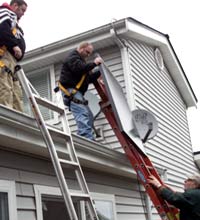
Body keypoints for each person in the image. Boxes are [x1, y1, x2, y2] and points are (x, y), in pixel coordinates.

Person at [58, 42, 103, 140]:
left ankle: (83, 137)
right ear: (81, 48)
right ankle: (86, 137)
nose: (88, 55)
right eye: (87, 52)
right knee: (82, 112)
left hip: (76, 93)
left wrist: (100, 72)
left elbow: (88, 78)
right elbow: (79, 69)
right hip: (70, 91)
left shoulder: (80, 61)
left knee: (89, 116)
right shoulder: (73, 57)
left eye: (89, 53)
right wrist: (94, 63)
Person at [0, 0, 27, 112]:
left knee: (16, 91)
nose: (23, 13)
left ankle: (19, 116)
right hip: (4, 55)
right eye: (22, 10)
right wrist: (14, 45)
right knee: (5, 85)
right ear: (15, 6)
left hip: (13, 60)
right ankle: (7, 114)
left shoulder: (15, 24)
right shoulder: (5, 12)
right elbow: (2, 29)